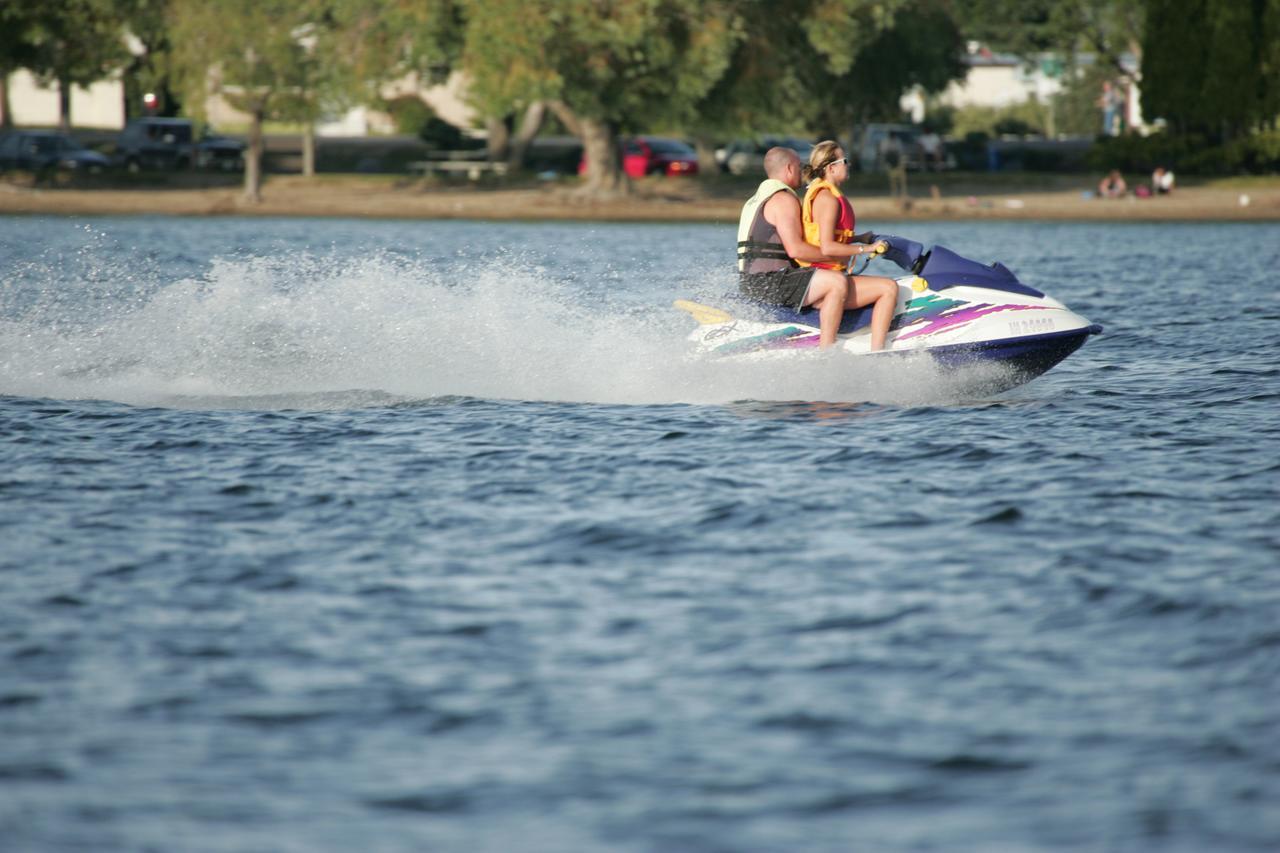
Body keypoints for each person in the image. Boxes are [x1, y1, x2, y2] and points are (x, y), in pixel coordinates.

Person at [736, 147, 890, 350]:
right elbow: (796, 250)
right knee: (836, 282)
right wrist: (842, 255)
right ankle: (827, 352)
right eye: (800, 166)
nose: (803, 171)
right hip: (770, 282)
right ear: (790, 168)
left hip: (754, 282)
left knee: (838, 281)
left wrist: (853, 240)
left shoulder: (757, 199)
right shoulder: (784, 200)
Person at [796, 140, 898, 351]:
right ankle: (877, 351)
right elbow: (828, 248)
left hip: (830, 275)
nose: (848, 165)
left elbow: (831, 236)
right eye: (845, 161)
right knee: (888, 288)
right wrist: (866, 249)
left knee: (887, 286)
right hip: (823, 279)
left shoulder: (828, 195)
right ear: (831, 168)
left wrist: (859, 237)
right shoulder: (827, 199)